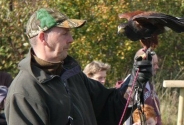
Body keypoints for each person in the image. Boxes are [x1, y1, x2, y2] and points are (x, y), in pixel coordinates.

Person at [5, 8, 152, 125]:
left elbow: (108, 109)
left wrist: (134, 82)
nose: (71, 39)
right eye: (64, 33)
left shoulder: (72, 75)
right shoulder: (23, 92)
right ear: (43, 37)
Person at [122, 48, 161, 125]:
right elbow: (125, 116)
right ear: (142, 64)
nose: (157, 67)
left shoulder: (149, 85)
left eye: (157, 64)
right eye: (154, 64)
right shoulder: (130, 86)